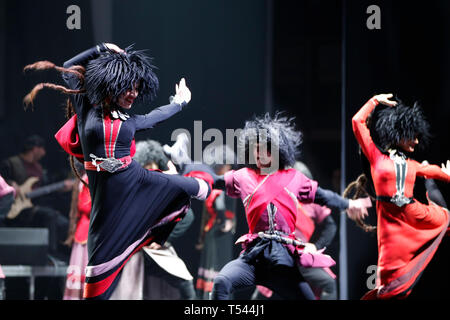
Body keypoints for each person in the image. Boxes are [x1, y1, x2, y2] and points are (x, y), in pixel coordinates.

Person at [23, 43, 211, 300]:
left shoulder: (131, 121)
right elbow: (68, 67)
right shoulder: (86, 106)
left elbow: (157, 115)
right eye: (128, 87)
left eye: (137, 89)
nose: (133, 94)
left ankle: (214, 183)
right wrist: (101, 48)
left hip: (136, 179)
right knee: (95, 290)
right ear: (113, 84)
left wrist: (179, 102)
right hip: (106, 205)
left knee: (192, 187)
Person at [165, 113, 369, 300]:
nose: (260, 153)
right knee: (221, 282)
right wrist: (185, 166)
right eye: (257, 148)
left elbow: (323, 196)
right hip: (253, 258)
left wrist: (349, 203)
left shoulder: (294, 178)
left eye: (266, 148)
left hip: (283, 263)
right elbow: (213, 180)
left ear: (277, 150)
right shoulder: (243, 176)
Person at [347, 93, 450, 299]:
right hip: (390, 221)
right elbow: (357, 122)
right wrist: (375, 101)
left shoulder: (412, 165)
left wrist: (445, 174)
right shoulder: (377, 158)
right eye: (413, 135)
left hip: (412, 213)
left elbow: (434, 172)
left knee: (445, 218)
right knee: (390, 281)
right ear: (401, 134)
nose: (417, 141)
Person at [251, 161, 339, 300]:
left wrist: (316, 246)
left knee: (328, 283)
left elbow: (331, 227)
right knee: (264, 289)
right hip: (279, 253)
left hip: (300, 256)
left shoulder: (312, 202)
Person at [0, 135, 73, 261]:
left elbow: (46, 189)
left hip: (33, 206)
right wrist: (10, 183)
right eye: (42, 149)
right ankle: (50, 253)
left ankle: (60, 253)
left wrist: (61, 188)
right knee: (49, 216)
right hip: (14, 209)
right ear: (34, 149)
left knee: (61, 221)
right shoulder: (11, 163)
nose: (44, 153)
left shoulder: (39, 169)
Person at [192, 144, 237, 300]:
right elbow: (216, 209)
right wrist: (225, 220)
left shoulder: (223, 185)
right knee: (216, 265)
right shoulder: (221, 186)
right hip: (218, 230)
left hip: (218, 231)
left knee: (218, 266)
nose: (228, 167)